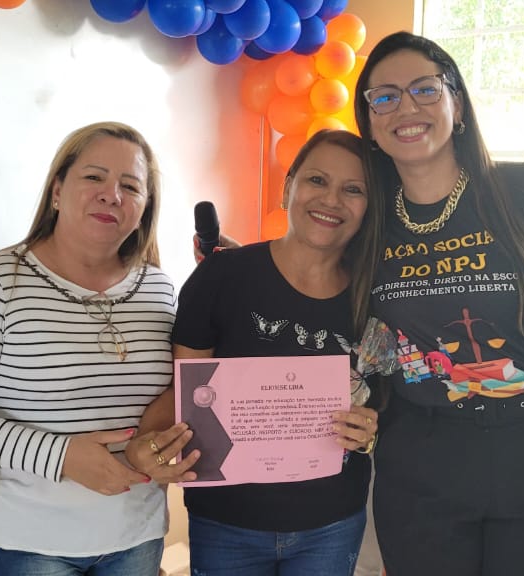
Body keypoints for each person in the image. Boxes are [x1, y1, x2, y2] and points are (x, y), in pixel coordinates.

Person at [353, 31, 524, 575]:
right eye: (385, 96)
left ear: (457, 103)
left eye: (425, 89)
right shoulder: (369, 217)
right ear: (370, 122)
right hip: (420, 459)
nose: (406, 108)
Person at [0, 122, 193, 576]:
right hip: (25, 543)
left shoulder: (159, 288)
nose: (111, 195)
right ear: (58, 190)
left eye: (130, 186)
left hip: (136, 537)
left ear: (145, 207)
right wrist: (61, 456)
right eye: (94, 177)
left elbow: (179, 396)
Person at [131, 129, 382, 575]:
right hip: (227, 521)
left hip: (331, 522)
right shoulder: (222, 277)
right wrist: (143, 451)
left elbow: (381, 402)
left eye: (354, 189)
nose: (331, 200)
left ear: (370, 206)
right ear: (288, 188)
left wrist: (368, 430)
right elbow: (186, 395)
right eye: (317, 180)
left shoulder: (375, 296)